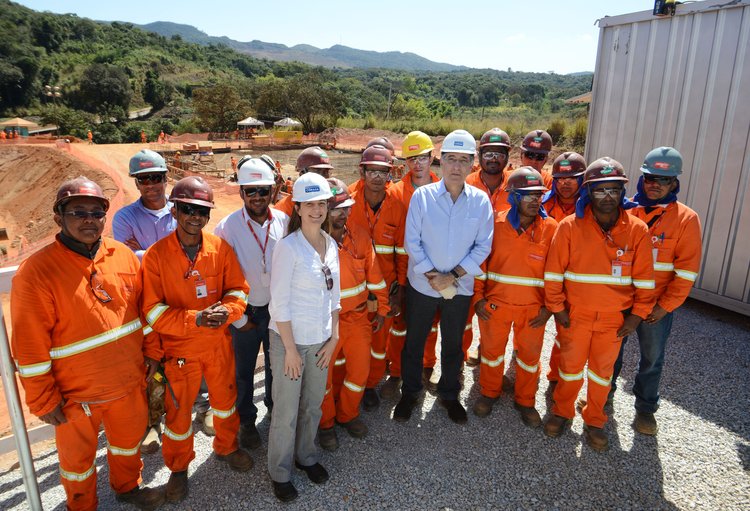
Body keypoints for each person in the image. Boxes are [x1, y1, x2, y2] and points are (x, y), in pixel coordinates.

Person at [11, 177, 164, 511]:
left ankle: (127, 487)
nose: (89, 220)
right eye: (78, 212)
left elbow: (144, 309)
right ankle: (82, 506)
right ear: (59, 218)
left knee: (127, 444)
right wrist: (42, 398)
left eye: (96, 213)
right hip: (74, 396)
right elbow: (29, 347)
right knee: (77, 463)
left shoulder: (122, 255)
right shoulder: (36, 273)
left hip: (127, 383)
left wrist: (152, 350)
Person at [141, 176, 253, 502]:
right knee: (177, 416)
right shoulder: (156, 256)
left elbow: (237, 290)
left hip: (217, 345)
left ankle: (227, 447)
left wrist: (229, 312)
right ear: (174, 211)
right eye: (187, 209)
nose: (194, 216)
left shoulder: (220, 249)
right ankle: (178, 469)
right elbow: (150, 310)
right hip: (179, 350)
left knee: (225, 402)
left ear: (208, 216)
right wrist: (196, 319)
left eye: (201, 211)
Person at [542, 157, 656, 452]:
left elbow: (644, 280)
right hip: (575, 315)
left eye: (614, 190)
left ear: (623, 192)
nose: (607, 197)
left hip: (613, 319)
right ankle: (562, 411)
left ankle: (595, 420)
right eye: (600, 190)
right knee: (569, 367)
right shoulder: (569, 226)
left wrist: (636, 317)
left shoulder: (637, 230)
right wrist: (558, 308)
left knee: (602, 373)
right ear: (588, 192)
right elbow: (553, 273)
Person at [394, 129, 494, 424]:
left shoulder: (480, 201)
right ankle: (410, 392)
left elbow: (483, 245)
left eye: (464, 161)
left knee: (453, 344)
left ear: (472, 165)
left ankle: (450, 395)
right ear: (441, 161)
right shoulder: (423, 197)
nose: (456, 167)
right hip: (422, 286)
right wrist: (433, 275)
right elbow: (413, 242)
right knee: (414, 342)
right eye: (451, 159)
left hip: (459, 288)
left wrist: (452, 276)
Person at [611, 147, 702, 435]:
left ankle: (645, 410)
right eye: (650, 177)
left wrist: (665, 306)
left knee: (652, 359)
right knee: (611, 352)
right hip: (622, 300)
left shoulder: (686, 219)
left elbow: (686, 271)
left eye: (663, 180)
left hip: (656, 307)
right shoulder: (625, 211)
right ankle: (603, 399)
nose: (655, 184)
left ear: (675, 183)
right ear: (642, 178)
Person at [267, 172, 340, 502]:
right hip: (290, 344)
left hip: (321, 341)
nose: (316, 210)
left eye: (321, 203)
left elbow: (335, 297)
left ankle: (306, 456)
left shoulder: (331, 244)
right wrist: (291, 351)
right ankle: (280, 472)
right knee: (286, 411)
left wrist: (334, 337)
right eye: (309, 204)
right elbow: (279, 304)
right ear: (297, 208)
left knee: (313, 404)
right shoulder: (288, 248)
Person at [472, 167, 558, 426]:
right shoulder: (494, 223)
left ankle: (525, 400)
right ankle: (489, 392)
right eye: (527, 195)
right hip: (496, 306)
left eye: (538, 195)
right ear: (513, 196)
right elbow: (480, 262)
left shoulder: (551, 228)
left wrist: (550, 308)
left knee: (530, 359)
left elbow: (556, 272)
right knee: (492, 353)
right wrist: (478, 298)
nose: (534, 200)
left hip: (533, 310)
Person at [214, 157, 289, 450]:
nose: (257, 197)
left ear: (272, 191)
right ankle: (246, 421)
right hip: (245, 311)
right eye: (250, 191)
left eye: (263, 190)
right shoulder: (227, 228)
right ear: (241, 192)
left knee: (276, 365)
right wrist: (238, 318)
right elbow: (220, 278)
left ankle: (273, 411)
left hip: (277, 310)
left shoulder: (283, 221)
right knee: (243, 371)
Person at [319, 178, 388, 449]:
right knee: (322, 379)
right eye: (335, 209)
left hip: (358, 319)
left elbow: (376, 277)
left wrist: (382, 308)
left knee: (359, 372)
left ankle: (348, 415)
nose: (342, 214)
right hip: (325, 324)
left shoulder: (359, 235)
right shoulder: (310, 241)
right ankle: (325, 424)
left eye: (345, 208)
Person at [348, 144, 408, 411]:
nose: (376, 177)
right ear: (362, 171)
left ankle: (371, 384)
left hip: (385, 289)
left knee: (378, 342)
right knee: (350, 342)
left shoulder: (397, 206)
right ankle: (348, 386)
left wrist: (400, 290)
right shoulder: (347, 199)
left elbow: (403, 253)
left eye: (382, 171)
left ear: (390, 173)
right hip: (354, 290)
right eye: (371, 170)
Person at [383, 131, 440, 398]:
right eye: (412, 158)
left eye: (423, 158)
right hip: (402, 270)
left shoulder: (444, 189)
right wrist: (397, 281)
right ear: (405, 162)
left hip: (432, 270)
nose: (418, 164)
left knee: (430, 324)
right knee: (399, 324)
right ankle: (396, 371)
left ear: (432, 158)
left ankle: (426, 367)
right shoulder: (394, 193)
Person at [463, 128, 515, 368]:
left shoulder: (516, 185)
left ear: (507, 156)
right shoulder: (466, 183)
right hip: (468, 261)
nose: (494, 159)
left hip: (502, 264)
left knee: (494, 317)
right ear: (480, 155)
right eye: (489, 153)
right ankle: (459, 362)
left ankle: (488, 355)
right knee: (464, 318)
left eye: (499, 153)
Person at [541, 152, 587, 395]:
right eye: (560, 178)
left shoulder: (591, 209)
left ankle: (556, 378)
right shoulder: (542, 205)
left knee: (566, 336)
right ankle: (520, 367)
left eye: (572, 178)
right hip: (541, 280)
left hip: (572, 285)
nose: (565, 183)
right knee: (529, 331)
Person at [274, 146, 333, 216]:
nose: (325, 177)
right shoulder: (283, 211)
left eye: (327, 172)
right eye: (319, 172)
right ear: (302, 173)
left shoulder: (332, 203)